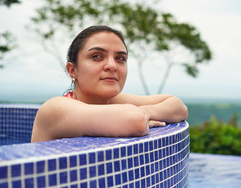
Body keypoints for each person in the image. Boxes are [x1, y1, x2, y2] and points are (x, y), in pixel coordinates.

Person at [31, 25, 188, 142]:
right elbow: (135, 121)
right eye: (97, 56)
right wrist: (139, 115)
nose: (112, 66)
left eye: (120, 58)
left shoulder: (113, 101)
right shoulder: (54, 109)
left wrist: (143, 112)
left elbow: (178, 107)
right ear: (72, 70)